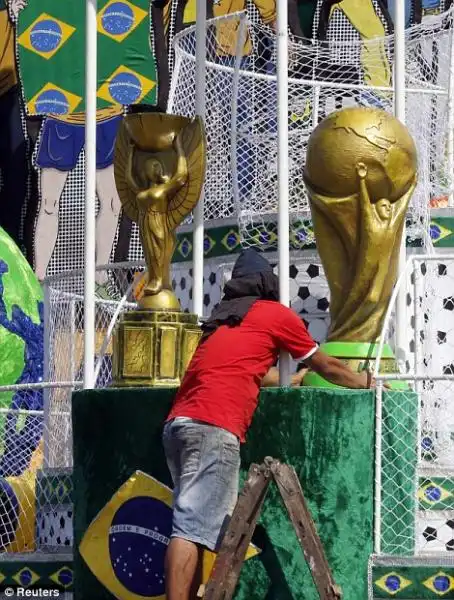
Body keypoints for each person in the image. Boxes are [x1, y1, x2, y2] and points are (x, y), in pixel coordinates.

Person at [162, 248, 374, 600]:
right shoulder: (275, 314)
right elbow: (327, 366)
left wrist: (291, 379)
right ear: (269, 284)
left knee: (195, 525)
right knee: (188, 528)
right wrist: (365, 381)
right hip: (214, 425)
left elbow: (244, 372)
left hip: (180, 424)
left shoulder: (222, 319)